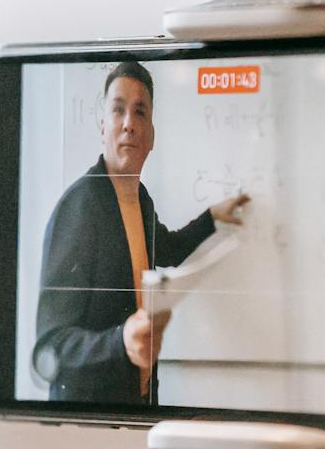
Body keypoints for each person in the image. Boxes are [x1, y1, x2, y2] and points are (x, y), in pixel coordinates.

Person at [33, 60, 248, 403]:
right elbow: (50, 344)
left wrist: (211, 218)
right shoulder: (79, 207)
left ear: (151, 136)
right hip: (93, 417)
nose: (129, 124)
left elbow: (165, 249)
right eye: (118, 110)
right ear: (103, 125)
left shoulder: (140, 200)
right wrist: (120, 341)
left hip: (137, 400)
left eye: (140, 112)